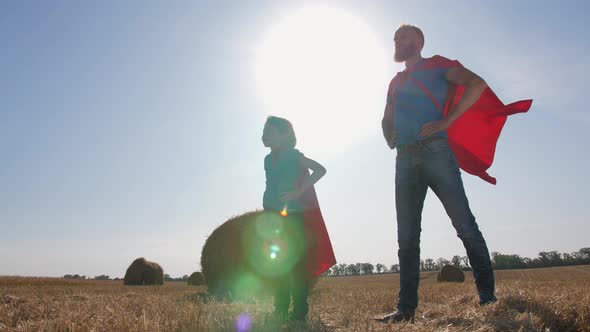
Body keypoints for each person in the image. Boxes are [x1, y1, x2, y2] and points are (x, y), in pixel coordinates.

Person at [377, 24, 532, 323]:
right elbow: (385, 118)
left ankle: (487, 299)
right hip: (405, 159)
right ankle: (405, 310)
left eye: (404, 37)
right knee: (407, 238)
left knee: (465, 226)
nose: (397, 41)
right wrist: (389, 137)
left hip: (436, 152)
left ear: (419, 41)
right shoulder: (395, 82)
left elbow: (477, 83)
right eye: (395, 38)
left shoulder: (438, 65)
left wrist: (447, 121)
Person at [261, 115, 336, 323]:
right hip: (271, 217)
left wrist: (299, 191)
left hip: (292, 217)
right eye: (263, 132)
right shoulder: (267, 159)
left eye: (269, 132)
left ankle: (299, 313)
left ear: (284, 136)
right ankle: (280, 309)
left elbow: (320, 170)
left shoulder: (294, 155)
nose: (264, 136)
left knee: (295, 267)